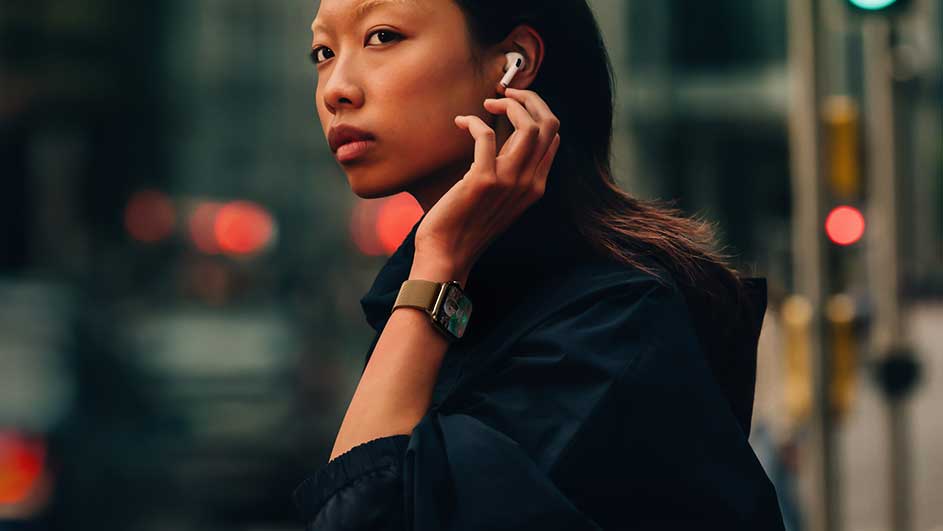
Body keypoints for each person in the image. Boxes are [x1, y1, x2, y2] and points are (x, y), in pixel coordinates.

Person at [294, 0, 786, 529]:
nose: (335, 89)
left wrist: (437, 267)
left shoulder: (608, 328)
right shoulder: (445, 292)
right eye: (323, 51)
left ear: (514, 63)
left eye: (382, 37)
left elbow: (358, 519)